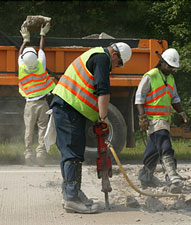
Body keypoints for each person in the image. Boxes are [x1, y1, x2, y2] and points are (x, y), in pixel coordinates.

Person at [50, 42, 132, 214]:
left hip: (70, 109)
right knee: (72, 152)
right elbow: (103, 90)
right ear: (115, 56)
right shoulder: (102, 59)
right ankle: (71, 198)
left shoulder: (95, 54)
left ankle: (74, 194)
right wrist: (103, 118)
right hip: (67, 108)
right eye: (118, 65)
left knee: (75, 152)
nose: (115, 68)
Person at [136, 48, 188, 194]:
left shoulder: (170, 79)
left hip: (164, 119)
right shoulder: (150, 76)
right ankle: (172, 177)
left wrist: (181, 112)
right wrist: (142, 116)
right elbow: (139, 97)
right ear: (162, 62)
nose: (171, 69)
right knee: (166, 146)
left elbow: (174, 98)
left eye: (173, 67)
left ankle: (145, 177)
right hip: (153, 119)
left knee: (153, 150)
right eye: (169, 66)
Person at [18, 22, 55, 167]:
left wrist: (25, 40)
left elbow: (20, 54)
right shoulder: (41, 64)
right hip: (42, 103)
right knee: (42, 130)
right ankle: (40, 155)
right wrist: (42, 34)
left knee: (28, 130)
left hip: (30, 104)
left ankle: (28, 155)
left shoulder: (22, 67)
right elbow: (41, 48)